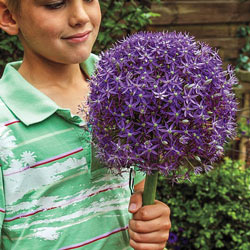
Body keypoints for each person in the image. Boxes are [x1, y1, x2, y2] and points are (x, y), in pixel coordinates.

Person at [0, 0, 171, 249]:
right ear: (9, 16)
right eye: (55, 4)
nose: (80, 16)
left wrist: (152, 222)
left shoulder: (126, 87)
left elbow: (140, 191)